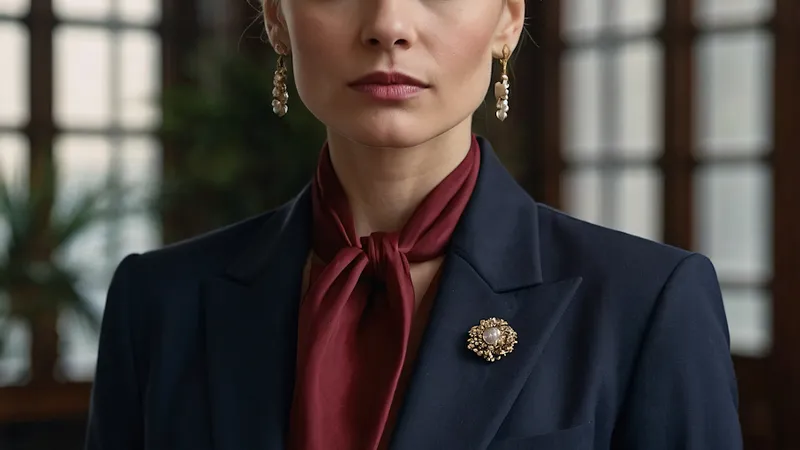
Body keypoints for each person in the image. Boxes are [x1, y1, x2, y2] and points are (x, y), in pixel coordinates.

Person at [85, 0, 743, 447]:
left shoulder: (646, 302)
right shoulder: (160, 300)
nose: (389, 26)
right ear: (276, 19)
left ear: (507, 19)